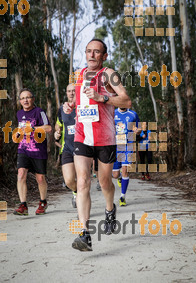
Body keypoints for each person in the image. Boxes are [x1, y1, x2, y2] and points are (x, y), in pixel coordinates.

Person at [64, 38, 132, 251]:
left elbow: (126, 101)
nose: (92, 55)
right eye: (88, 51)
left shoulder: (109, 74)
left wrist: (103, 97)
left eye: (97, 52)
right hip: (82, 137)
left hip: (105, 138)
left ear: (104, 56)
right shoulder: (78, 76)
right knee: (82, 181)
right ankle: (85, 234)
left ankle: (110, 209)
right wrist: (70, 106)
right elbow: (80, 103)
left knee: (105, 183)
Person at [14, 88, 52, 216]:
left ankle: (42, 202)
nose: (25, 100)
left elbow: (48, 128)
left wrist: (33, 128)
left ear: (33, 99)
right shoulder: (19, 114)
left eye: (28, 97)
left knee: (40, 179)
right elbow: (20, 130)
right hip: (23, 149)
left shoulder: (39, 112)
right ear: (20, 101)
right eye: (23, 98)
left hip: (38, 150)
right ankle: (23, 205)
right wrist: (17, 134)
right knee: (21, 174)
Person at [54, 84, 77, 207]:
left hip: (82, 147)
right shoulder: (62, 109)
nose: (71, 93)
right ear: (66, 93)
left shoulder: (82, 107)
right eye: (69, 91)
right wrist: (57, 132)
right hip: (67, 148)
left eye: (73, 90)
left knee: (83, 179)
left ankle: (82, 200)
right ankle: (76, 191)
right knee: (68, 180)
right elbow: (58, 125)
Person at [112, 108, 141, 206]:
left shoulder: (133, 114)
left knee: (125, 169)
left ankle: (122, 196)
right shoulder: (113, 113)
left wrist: (137, 131)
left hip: (128, 146)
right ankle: (119, 177)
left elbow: (139, 128)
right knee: (115, 175)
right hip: (115, 147)